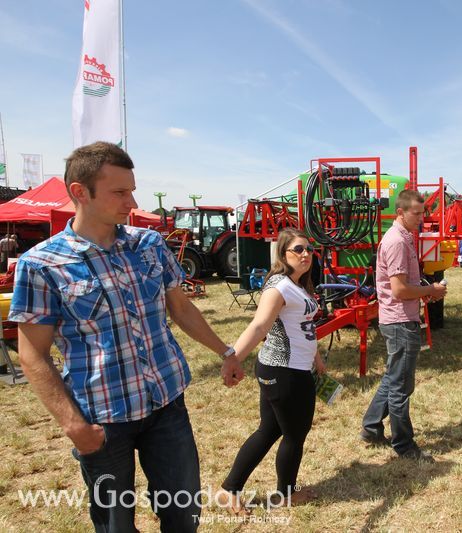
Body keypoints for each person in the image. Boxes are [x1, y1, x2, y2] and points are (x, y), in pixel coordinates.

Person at [10, 142, 245, 532]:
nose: (131, 201)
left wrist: (226, 350)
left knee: (183, 516)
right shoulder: (42, 264)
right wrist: (73, 426)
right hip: (102, 420)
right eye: (119, 192)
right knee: (116, 524)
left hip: (166, 405)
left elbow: (181, 308)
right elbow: (32, 353)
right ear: (79, 192)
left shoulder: (148, 245)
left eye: (132, 189)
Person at [218, 228, 326, 513]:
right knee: (294, 434)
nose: (306, 255)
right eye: (298, 250)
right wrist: (233, 358)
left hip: (292, 368)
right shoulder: (279, 286)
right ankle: (285, 494)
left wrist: (316, 358)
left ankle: (231, 489)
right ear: (283, 254)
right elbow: (258, 326)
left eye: (308, 250)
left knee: (269, 430)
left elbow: (303, 327)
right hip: (285, 372)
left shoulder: (298, 284)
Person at [360, 189, 447, 462]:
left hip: (399, 318)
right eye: (416, 213)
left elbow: (404, 284)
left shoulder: (404, 236)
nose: (421, 218)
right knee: (401, 386)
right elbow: (398, 290)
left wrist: (425, 290)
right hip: (399, 320)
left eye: (423, 213)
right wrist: (430, 289)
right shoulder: (397, 241)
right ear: (400, 212)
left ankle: (371, 428)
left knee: (393, 378)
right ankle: (404, 446)